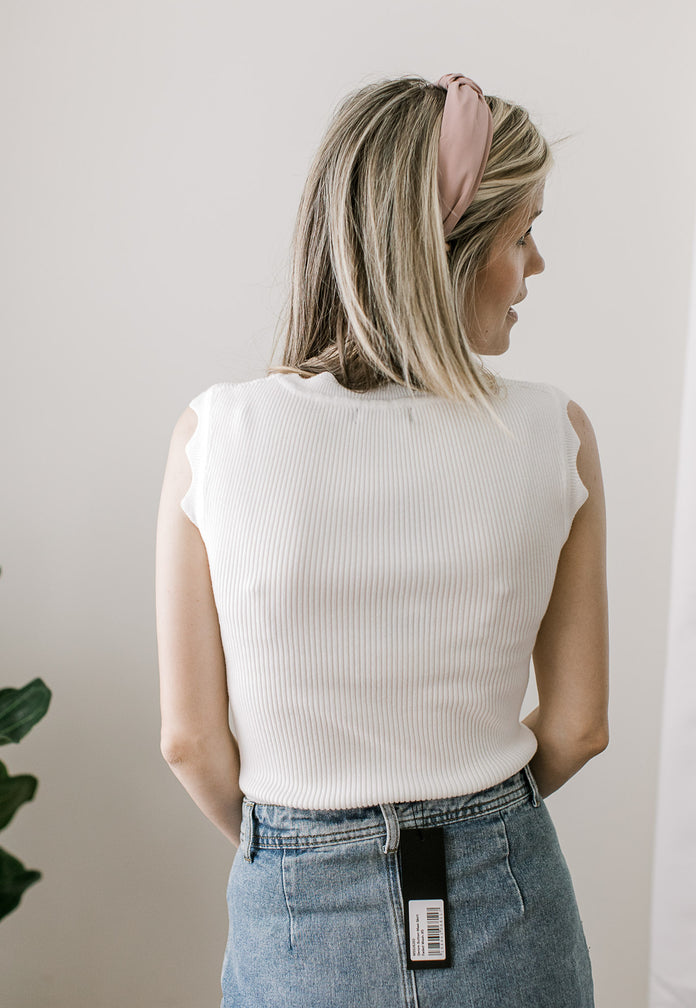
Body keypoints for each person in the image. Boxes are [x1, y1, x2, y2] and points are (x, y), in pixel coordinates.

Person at [155, 72, 609, 1008]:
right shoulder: (553, 431)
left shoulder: (217, 433)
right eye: (522, 234)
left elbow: (192, 743)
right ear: (456, 245)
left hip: (296, 906)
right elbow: (576, 728)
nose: (538, 266)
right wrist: (474, 828)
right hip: (505, 898)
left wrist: (305, 850)